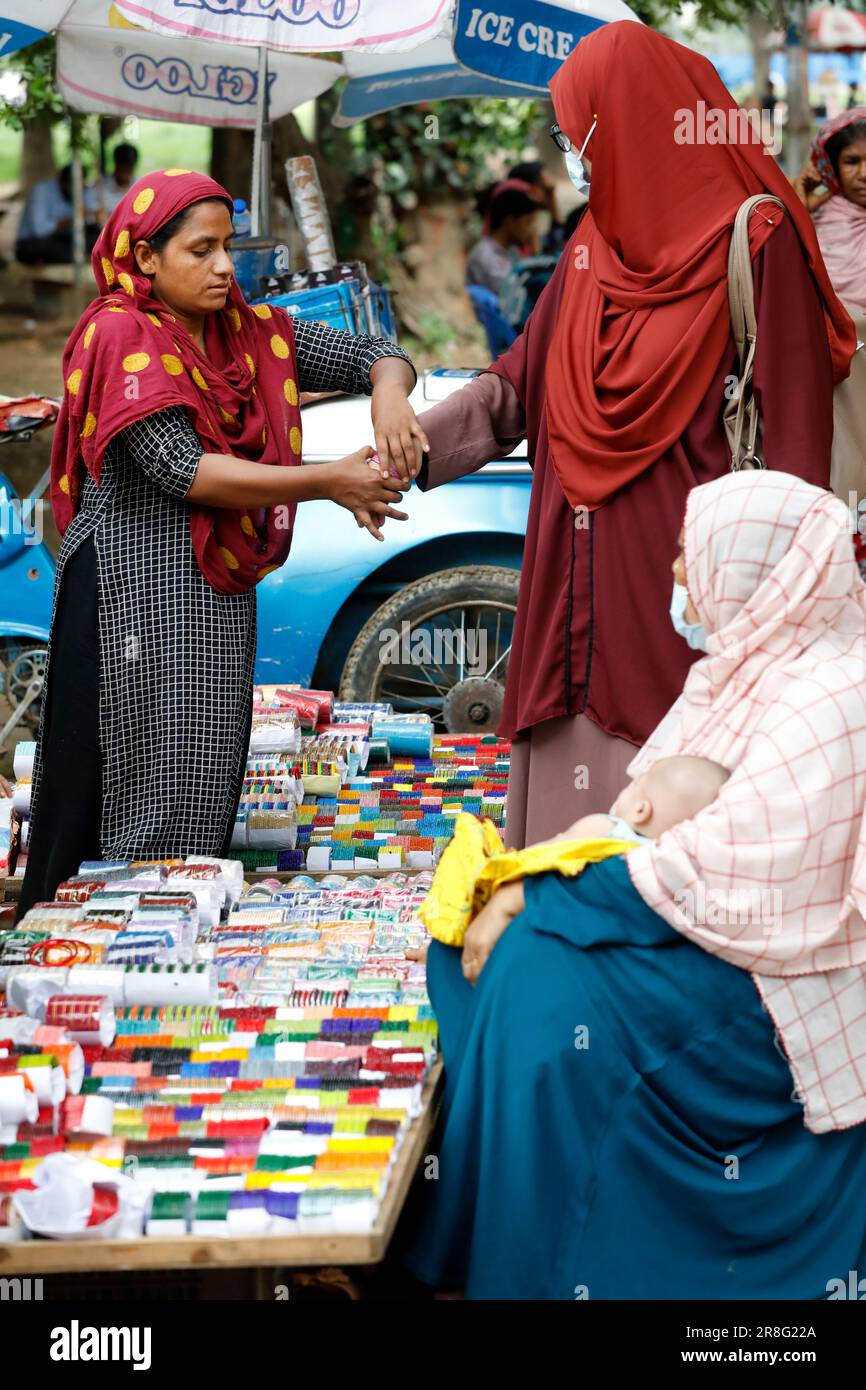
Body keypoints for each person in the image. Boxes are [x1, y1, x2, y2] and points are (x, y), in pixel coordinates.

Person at [406, 470, 866, 1300]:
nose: (681, 575)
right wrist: (525, 885)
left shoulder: (833, 690)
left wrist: (533, 892)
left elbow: (727, 872)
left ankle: (525, 1267)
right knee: (461, 951)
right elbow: (641, 821)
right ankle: (471, 1230)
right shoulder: (731, 670)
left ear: (758, 564)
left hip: (771, 978)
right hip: (696, 926)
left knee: (541, 980)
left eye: (694, 555)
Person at [415, 22, 856, 850]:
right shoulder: (590, 246)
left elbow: (797, 461)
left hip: (682, 609)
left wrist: (778, 638)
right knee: (563, 862)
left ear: (625, 119)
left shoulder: (759, 242)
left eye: (575, 130)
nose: (570, 153)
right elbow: (518, 380)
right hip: (570, 584)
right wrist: (407, 450)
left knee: (675, 840)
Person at [15, 169, 426, 921]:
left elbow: (372, 350)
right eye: (200, 250)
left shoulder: (249, 331)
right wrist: (329, 479)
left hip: (209, 595)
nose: (223, 267)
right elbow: (180, 468)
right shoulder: (118, 334)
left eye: (227, 246)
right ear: (145, 258)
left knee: (205, 772)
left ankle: (177, 941)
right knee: (138, 787)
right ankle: (96, 955)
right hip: (131, 595)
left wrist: (389, 393)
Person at [794, 108, 866, 313]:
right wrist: (799, 211)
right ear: (833, 167)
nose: (863, 174)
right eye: (851, 162)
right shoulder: (820, 218)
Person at [465, 182, 540, 295]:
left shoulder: (511, 251)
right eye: (528, 221)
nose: (533, 230)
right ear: (510, 222)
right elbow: (516, 297)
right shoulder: (485, 255)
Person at [15, 165, 98, 266]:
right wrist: (72, 219)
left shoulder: (81, 191)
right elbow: (39, 230)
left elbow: (88, 221)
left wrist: (93, 216)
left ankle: (73, 257)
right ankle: (74, 258)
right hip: (33, 242)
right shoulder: (42, 191)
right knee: (48, 247)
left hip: (61, 240)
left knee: (96, 234)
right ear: (64, 183)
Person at [92, 143, 139, 223]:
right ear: (116, 164)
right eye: (122, 165)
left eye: (129, 166)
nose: (125, 170)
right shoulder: (101, 187)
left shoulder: (140, 185)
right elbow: (96, 216)